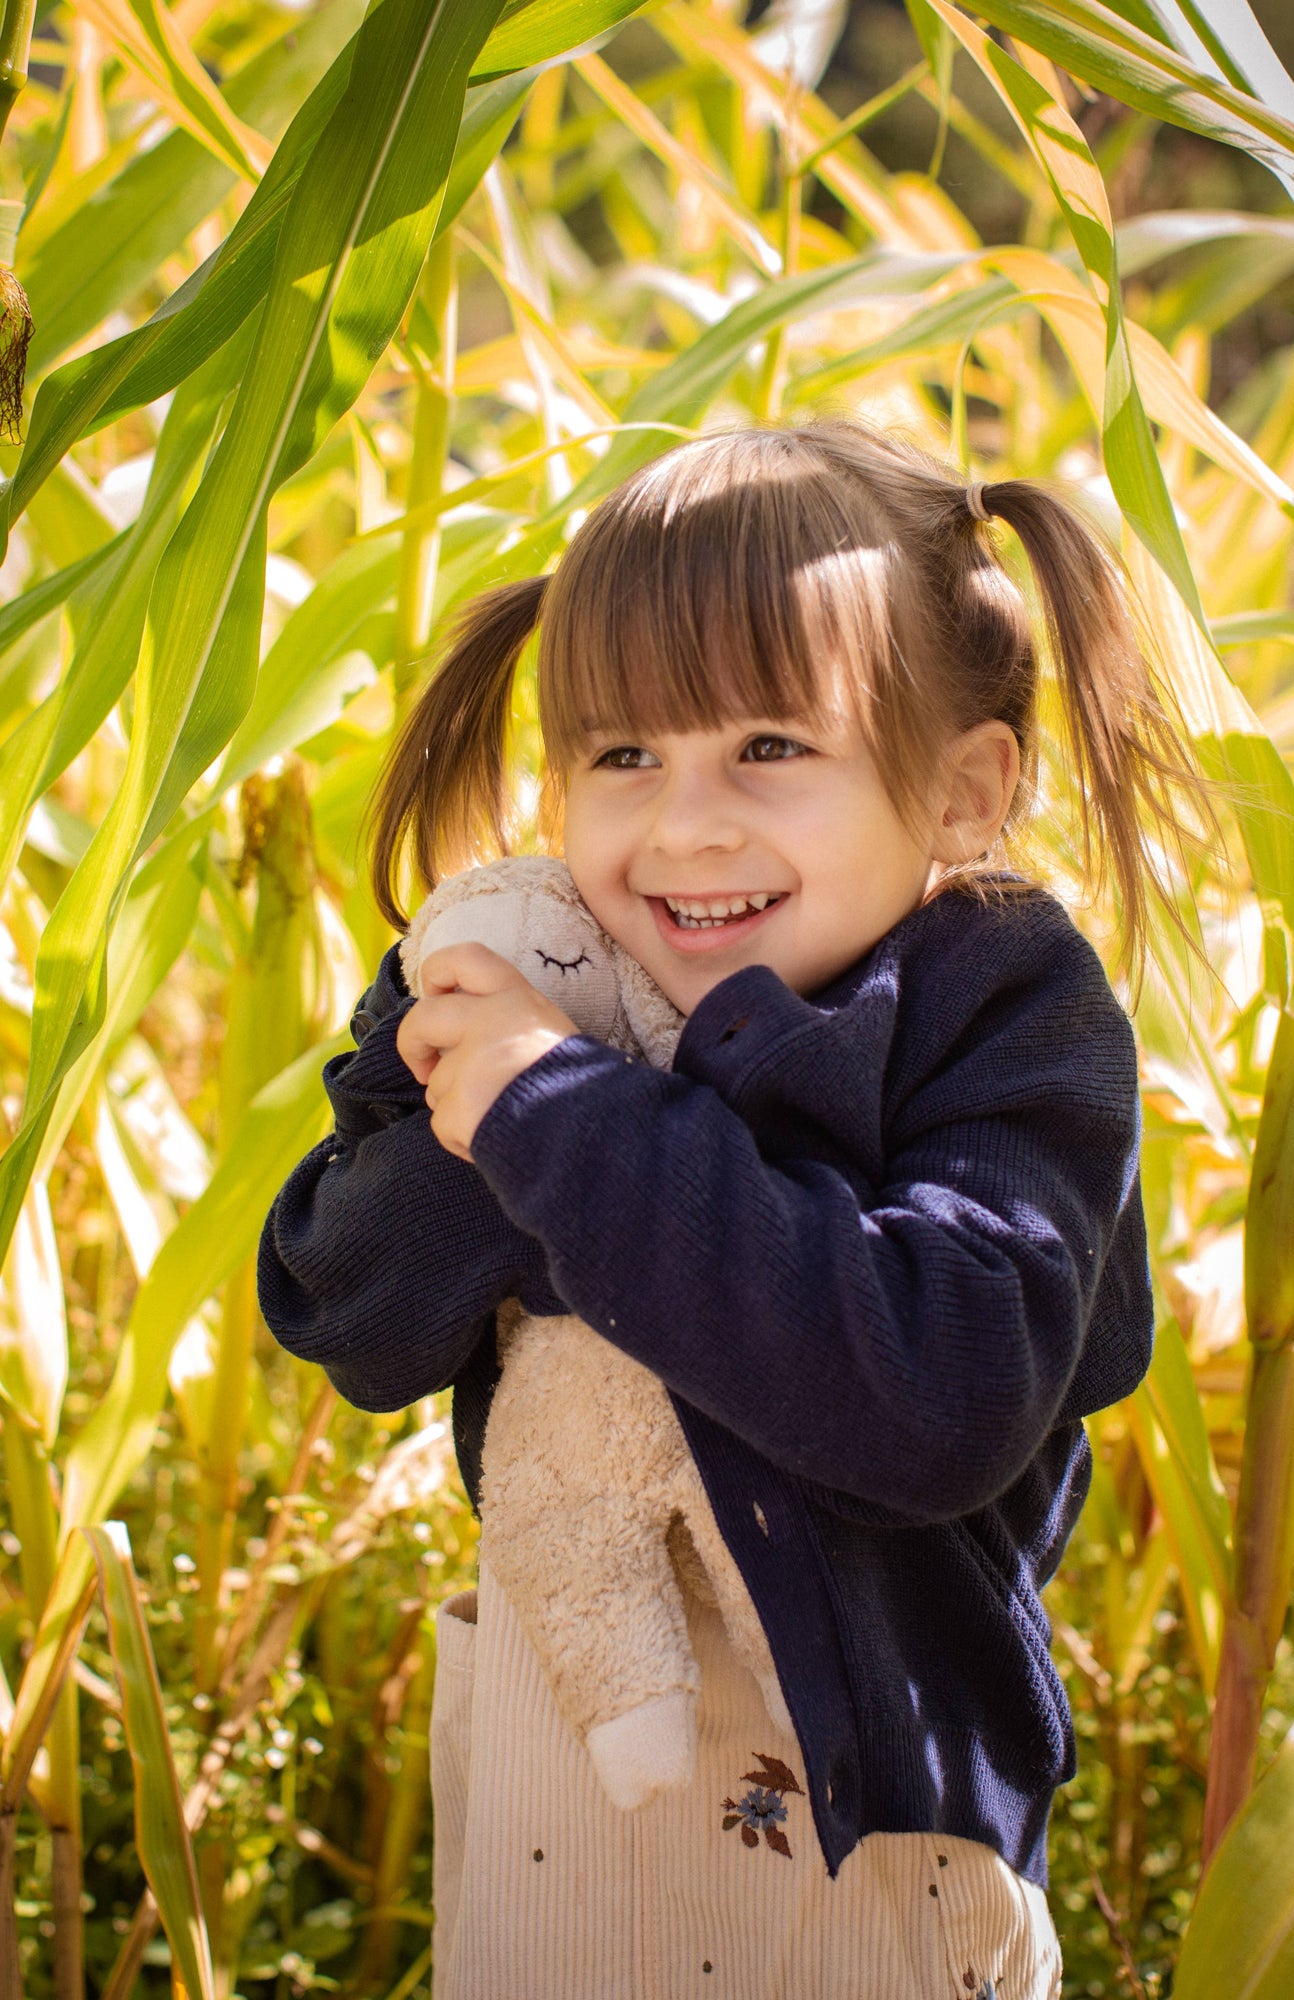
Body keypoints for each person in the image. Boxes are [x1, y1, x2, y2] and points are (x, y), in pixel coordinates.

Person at [258, 421, 1197, 2000]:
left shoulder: (1001, 1015)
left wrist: (564, 1123)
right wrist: (491, 1105)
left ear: (962, 788)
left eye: (768, 746)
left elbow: (938, 1393)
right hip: (568, 1786)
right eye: (622, 755)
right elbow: (342, 1314)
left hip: (872, 1834)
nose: (682, 824)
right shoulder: (529, 969)